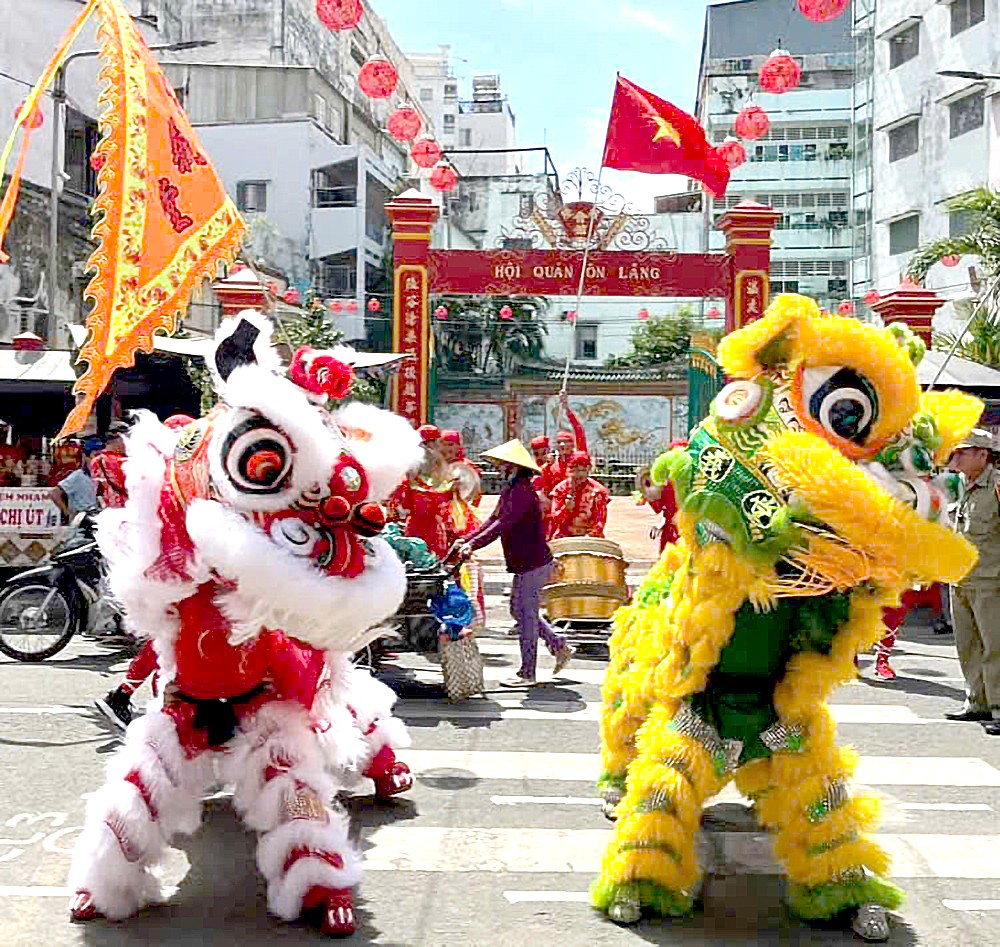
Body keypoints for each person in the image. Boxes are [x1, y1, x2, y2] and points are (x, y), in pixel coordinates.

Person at [453, 439, 574, 688]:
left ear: (514, 466)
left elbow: (502, 524)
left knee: (526, 615)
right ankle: (559, 645)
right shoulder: (512, 489)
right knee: (519, 611)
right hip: (525, 562)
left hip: (533, 562)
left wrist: (473, 545)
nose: (498, 467)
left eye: (502, 464)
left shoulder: (522, 492)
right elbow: (493, 519)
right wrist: (467, 540)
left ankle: (527, 672)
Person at [946, 428, 1000, 733]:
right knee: (967, 646)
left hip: (992, 581)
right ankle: (976, 701)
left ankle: (998, 707)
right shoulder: (959, 485)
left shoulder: (996, 486)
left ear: (983, 455)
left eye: (964, 452)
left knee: (996, 646)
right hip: (961, 579)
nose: (957, 456)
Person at [548, 451, 609, 539]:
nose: (580, 475)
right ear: (570, 470)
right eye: (576, 471)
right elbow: (555, 519)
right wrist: (566, 508)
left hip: (590, 537)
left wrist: (589, 536)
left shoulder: (598, 491)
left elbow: (599, 521)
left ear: (588, 469)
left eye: (583, 470)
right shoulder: (561, 489)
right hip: (564, 536)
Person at [49, 442, 98, 523]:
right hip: (82, 517)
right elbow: (54, 493)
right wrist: (66, 512)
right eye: (94, 457)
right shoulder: (78, 475)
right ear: (86, 458)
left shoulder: (99, 476)